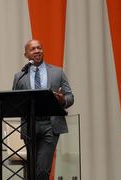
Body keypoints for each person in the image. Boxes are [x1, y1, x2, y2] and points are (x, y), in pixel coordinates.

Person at [12, 39, 74, 180]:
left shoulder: (58, 72)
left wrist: (62, 100)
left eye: (39, 48)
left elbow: (70, 97)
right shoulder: (20, 76)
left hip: (50, 126)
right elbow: (14, 101)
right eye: (32, 49)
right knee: (32, 169)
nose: (37, 51)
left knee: (42, 170)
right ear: (26, 55)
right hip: (30, 125)